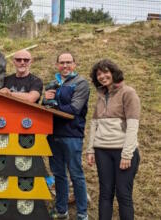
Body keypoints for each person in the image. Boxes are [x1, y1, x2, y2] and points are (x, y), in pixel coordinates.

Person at [87, 59, 140, 220]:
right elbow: (94, 124)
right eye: (99, 74)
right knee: (105, 194)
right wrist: (90, 149)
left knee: (123, 194)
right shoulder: (102, 95)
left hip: (122, 152)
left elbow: (132, 125)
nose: (102, 76)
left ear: (113, 72)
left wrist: (127, 154)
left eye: (105, 72)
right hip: (102, 151)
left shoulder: (128, 93)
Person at [44, 52, 90, 220]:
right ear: (57, 65)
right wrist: (45, 100)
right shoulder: (53, 83)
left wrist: (52, 105)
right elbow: (45, 110)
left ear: (75, 64)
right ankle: (61, 210)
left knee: (76, 174)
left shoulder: (81, 83)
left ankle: (82, 214)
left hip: (72, 135)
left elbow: (74, 109)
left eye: (68, 62)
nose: (65, 66)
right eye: (62, 62)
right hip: (53, 134)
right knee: (58, 175)